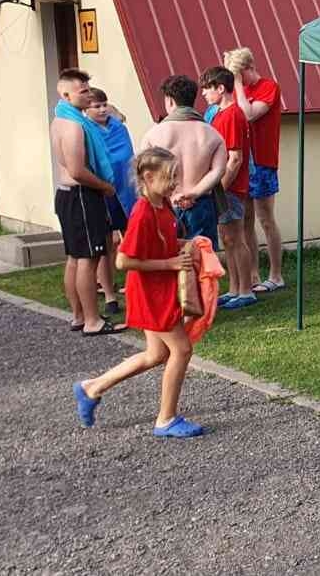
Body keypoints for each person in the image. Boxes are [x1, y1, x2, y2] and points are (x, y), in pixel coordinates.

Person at [72, 146, 206, 438]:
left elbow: (161, 242)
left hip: (159, 289)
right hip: (150, 293)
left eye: (176, 176)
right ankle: (166, 419)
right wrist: (169, 263)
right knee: (181, 349)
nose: (174, 183)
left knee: (155, 354)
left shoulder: (163, 205)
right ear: (148, 177)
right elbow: (123, 260)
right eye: (170, 177)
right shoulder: (143, 212)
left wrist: (188, 244)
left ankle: (92, 387)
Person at [50, 69, 125, 336]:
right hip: (82, 195)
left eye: (88, 88)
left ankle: (79, 316)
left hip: (69, 195)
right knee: (88, 259)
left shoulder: (61, 119)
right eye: (82, 91)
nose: (88, 95)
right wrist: (105, 186)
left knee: (75, 257)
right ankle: (92, 321)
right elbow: (77, 170)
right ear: (65, 94)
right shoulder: (74, 127)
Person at [225, 47, 287, 294]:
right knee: (246, 220)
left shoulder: (268, 87)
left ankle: (276, 275)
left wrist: (238, 85)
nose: (236, 81)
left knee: (265, 218)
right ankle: (253, 274)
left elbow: (249, 114)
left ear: (249, 68)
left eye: (238, 75)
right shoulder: (239, 91)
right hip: (244, 162)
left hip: (263, 162)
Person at [140, 75, 227, 249]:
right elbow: (218, 171)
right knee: (203, 259)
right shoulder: (212, 134)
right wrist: (194, 193)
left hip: (165, 203)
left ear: (170, 101)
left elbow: (144, 174)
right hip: (201, 204)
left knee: (168, 255)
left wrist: (173, 196)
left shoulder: (153, 134)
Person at [200, 66, 257, 310]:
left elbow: (235, 159)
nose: (204, 93)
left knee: (236, 237)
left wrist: (220, 189)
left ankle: (246, 290)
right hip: (222, 187)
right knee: (227, 239)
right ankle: (234, 288)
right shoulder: (219, 114)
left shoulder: (232, 115)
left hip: (230, 188)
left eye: (207, 88)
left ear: (221, 88)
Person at [87, 88, 133, 317]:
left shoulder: (119, 128)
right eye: (96, 106)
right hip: (104, 192)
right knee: (105, 246)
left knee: (132, 241)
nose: (102, 109)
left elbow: (129, 156)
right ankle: (109, 295)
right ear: (86, 109)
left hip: (127, 191)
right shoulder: (87, 131)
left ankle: (134, 287)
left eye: (104, 104)